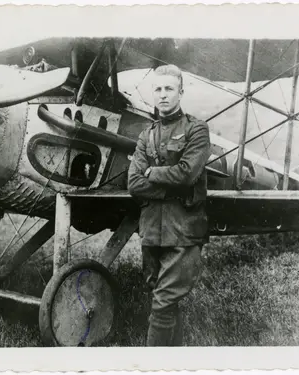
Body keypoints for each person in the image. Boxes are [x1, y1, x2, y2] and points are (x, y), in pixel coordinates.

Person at [128, 64, 211, 346]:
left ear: (181, 92)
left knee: (163, 302)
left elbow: (188, 173)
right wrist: (171, 187)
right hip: (151, 230)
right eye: (158, 89)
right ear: (153, 93)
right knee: (162, 296)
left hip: (182, 229)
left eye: (169, 89)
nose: (163, 95)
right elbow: (133, 183)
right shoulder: (145, 135)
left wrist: (152, 173)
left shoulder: (196, 130)